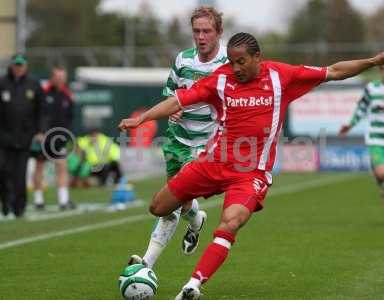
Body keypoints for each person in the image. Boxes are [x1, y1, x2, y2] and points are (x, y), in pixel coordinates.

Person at [119, 32, 384, 299]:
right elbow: (178, 101)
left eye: (241, 62)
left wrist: (373, 61)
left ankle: (192, 285)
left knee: (231, 222)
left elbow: (334, 71)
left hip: (249, 173)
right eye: (232, 62)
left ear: (258, 57)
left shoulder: (281, 76)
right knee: (158, 206)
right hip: (212, 163)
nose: (235, 68)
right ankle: (195, 217)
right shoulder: (221, 79)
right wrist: (141, 119)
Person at [127, 6, 228, 269]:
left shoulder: (229, 63)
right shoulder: (183, 59)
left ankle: (145, 264)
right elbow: (172, 93)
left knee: (170, 202)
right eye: (197, 31)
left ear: (218, 32)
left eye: (207, 31)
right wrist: (174, 109)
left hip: (206, 145)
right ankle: (196, 220)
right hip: (176, 141)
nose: (201, 36)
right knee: (179, 203)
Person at [0, 54, 47, 218]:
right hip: (1, 138)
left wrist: (40, 130)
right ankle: (5, 202)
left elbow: (41, 111)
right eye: (16, 65)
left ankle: (19, 208)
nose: (18, 68)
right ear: (12, 66)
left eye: (21, 65)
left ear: (25, 66)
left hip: (23, 138)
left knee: (20, 175)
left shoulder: (34, 85)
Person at [31, 66, 75, 210]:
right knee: (39, 167)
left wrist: (67, 135)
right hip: (43, 137)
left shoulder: (67, 95)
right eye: (58, 77)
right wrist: (38, 132)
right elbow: (35, 113)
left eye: (63, 77)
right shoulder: (43, 92)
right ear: (52, 77)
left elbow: (70, 117)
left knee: (62, 167)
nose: (60, 80)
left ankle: (63, 200)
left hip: (59, 138)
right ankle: (38, 200)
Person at [339, 65, 384, 199]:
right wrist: (350, 124)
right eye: (382, 68)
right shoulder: (372, 88)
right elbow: (361, 108)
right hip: (375, 137)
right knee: (381, 173)